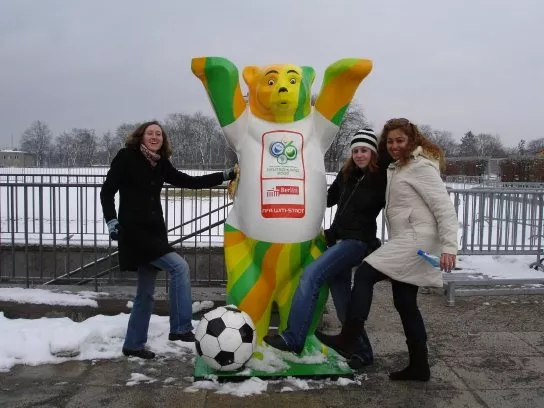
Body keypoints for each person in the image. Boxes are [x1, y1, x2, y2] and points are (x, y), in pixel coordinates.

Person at [317, 118, 458, 381]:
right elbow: (367, 160)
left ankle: (349, 337)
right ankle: (419, 366)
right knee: (405, 303)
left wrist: (450, 246)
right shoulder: (397, 167)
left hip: (417, 239)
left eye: (400, 140)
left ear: (412, 140)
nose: (394, 146)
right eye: (390, 141)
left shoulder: (420, 167)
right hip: (407, 239)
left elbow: (444, 208)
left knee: (365, 274)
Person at [100, 120, 237, 359]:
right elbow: (107, 191)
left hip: (154, 232)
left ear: (163, 140)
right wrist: (112, 221)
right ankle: (180, 328)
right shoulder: (126, 157)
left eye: (159, 134)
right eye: (150, 133)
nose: (154, 137)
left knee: (145, 293)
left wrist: (224, 175)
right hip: (134, 232)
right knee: (179, 267)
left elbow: (189, 182)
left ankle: (133, 344)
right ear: (140, 136)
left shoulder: (161, 163)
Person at [263, 128, 387, 368]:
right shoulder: (347, 173)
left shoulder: (380, 178)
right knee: (342, 298)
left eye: (364, 150)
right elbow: (327, 199)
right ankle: (362, 350)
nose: (360, 155)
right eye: (356, 150)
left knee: (311, 276)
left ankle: (293, 337)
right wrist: (297, 187)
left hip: (357, 243)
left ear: (373, 152)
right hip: (337, 239)